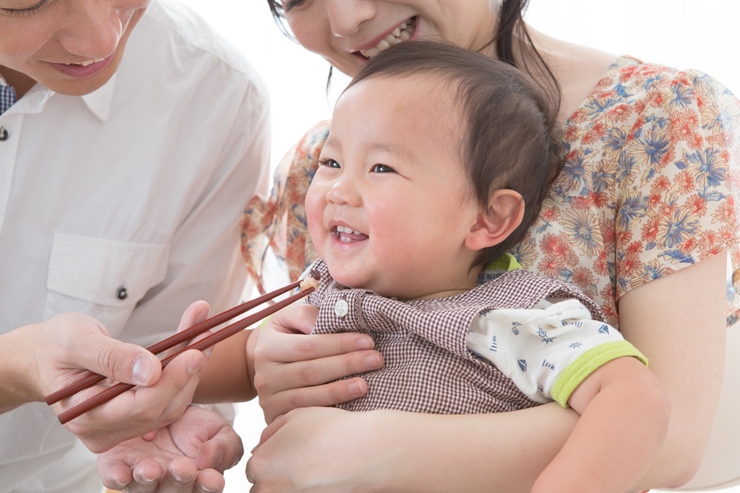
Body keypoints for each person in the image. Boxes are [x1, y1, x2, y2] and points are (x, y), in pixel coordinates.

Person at [242, 0, 740, 491]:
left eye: (383, 168)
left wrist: (379, 447)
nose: (348, 18)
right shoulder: (320, 169)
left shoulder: (651, 118)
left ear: (492, 217)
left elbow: (663, 430)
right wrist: (228, 373)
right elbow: (249, 343)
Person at [305, 41, 670, 493]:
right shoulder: (318, 291)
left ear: (487, 218)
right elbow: (245, 360)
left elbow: (635, 396)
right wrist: (196, 402)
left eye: (381, 167)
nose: (339, 189)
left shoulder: (512, 318)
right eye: (331, 161)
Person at [0, 0, 270, 489]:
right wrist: (16, 369)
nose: (102, 42)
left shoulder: (215, 95)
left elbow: (170, 359)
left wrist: (162, 417)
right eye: (24, 5)